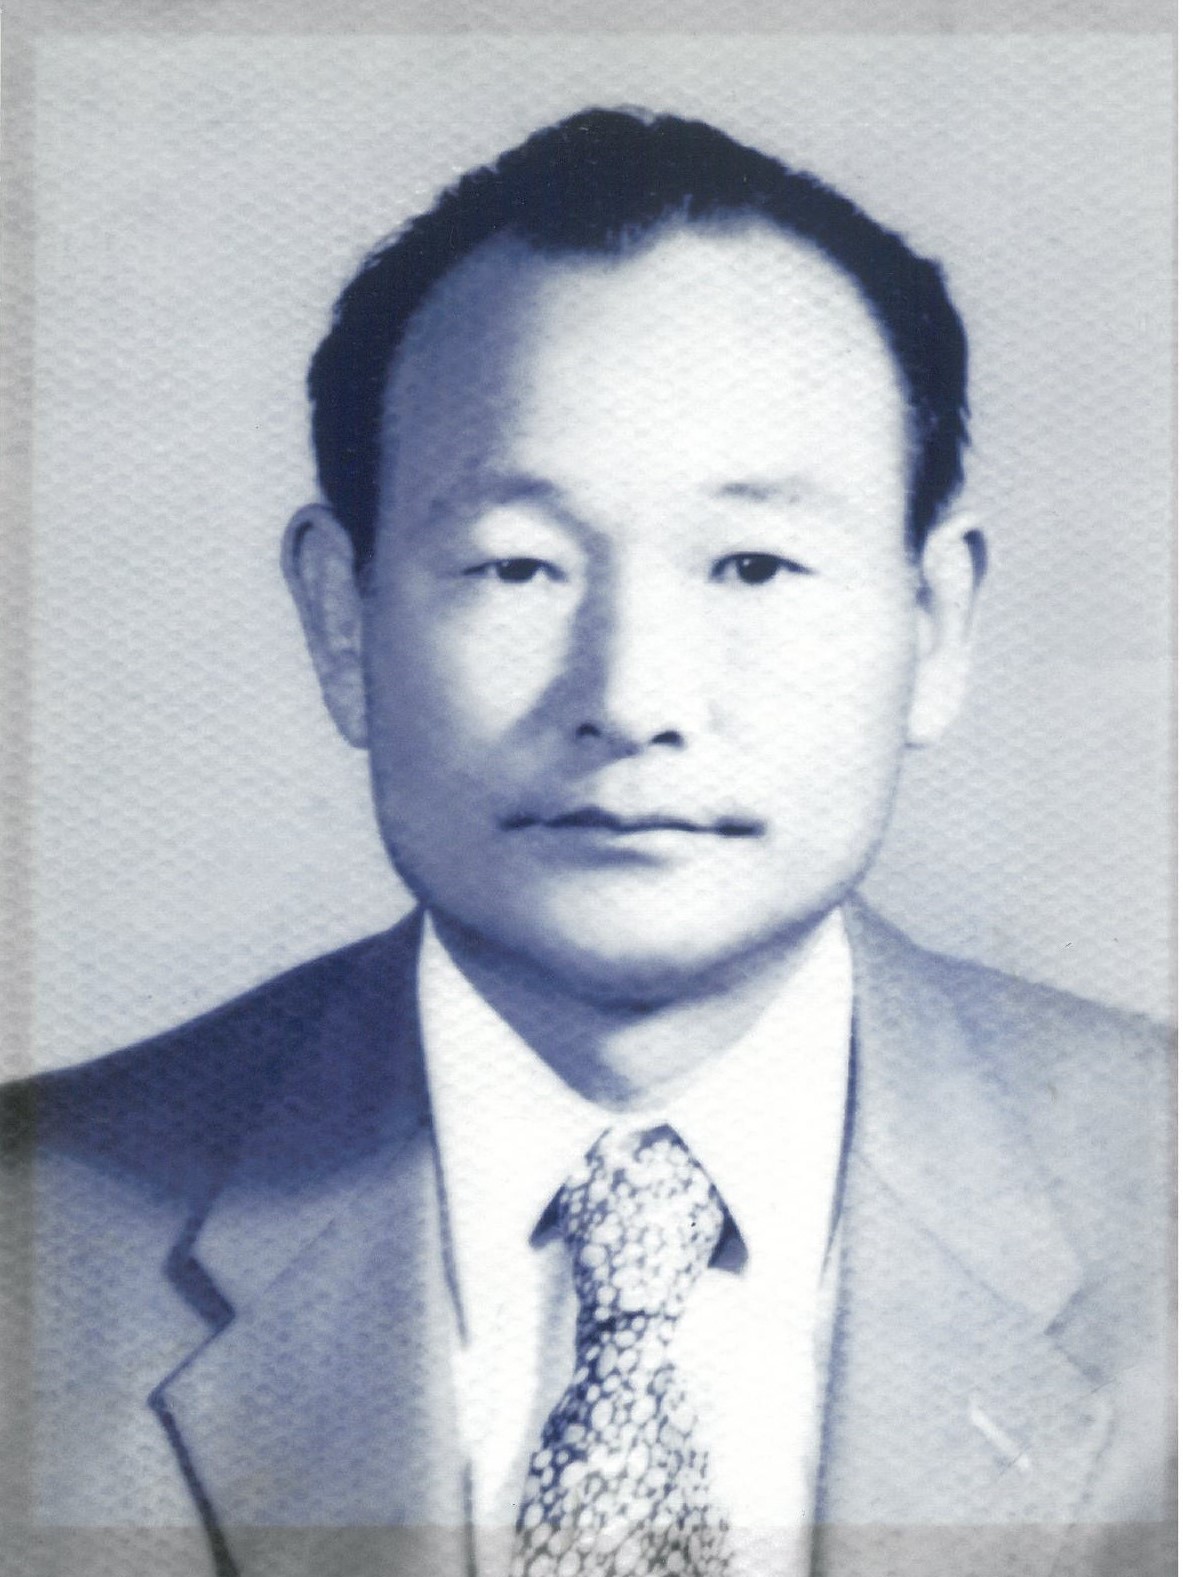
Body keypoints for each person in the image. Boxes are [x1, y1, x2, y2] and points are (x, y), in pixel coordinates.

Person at [1, 108, 1171, 1577]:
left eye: (754, 564)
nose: (632, 699)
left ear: (934, 625)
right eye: (518, 565)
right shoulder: (36, 1248)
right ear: (343, 621)